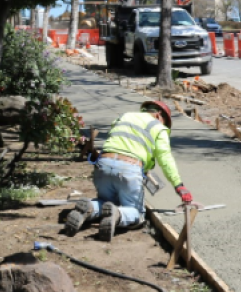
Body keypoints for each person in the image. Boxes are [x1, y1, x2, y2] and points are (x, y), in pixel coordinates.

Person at [65, 100, 194, 241]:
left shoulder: (124, 117)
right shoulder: (158, 127)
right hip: (129, 169)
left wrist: (145, 167)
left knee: (106, 201)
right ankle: (118, 214)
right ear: (159, 115)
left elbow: (119, 140)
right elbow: (165, 159)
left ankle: (90, 207)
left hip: (103, 164)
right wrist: (179, 185)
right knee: (136, 212)